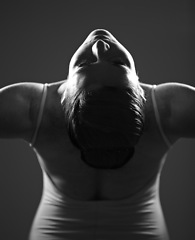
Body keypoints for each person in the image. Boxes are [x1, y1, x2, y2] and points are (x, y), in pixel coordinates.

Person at [0, 29, 194, 240]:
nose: (100, 46)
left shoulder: (31, 109)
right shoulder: (169, 110)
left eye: (83, 65)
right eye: (119, 64)